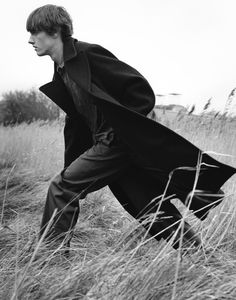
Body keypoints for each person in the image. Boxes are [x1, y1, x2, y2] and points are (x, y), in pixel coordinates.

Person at [26, 4, 235, 253]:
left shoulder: (87, 54)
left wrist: (124, 131)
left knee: (62, 187)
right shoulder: (62, 71)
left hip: (115, 143)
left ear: (53, 31)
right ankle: (202, 256)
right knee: (149, 205)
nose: (30, 40)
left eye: (34, 32)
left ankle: (49, 257)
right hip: (108, 145)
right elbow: (79, 121)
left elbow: (140, 89)